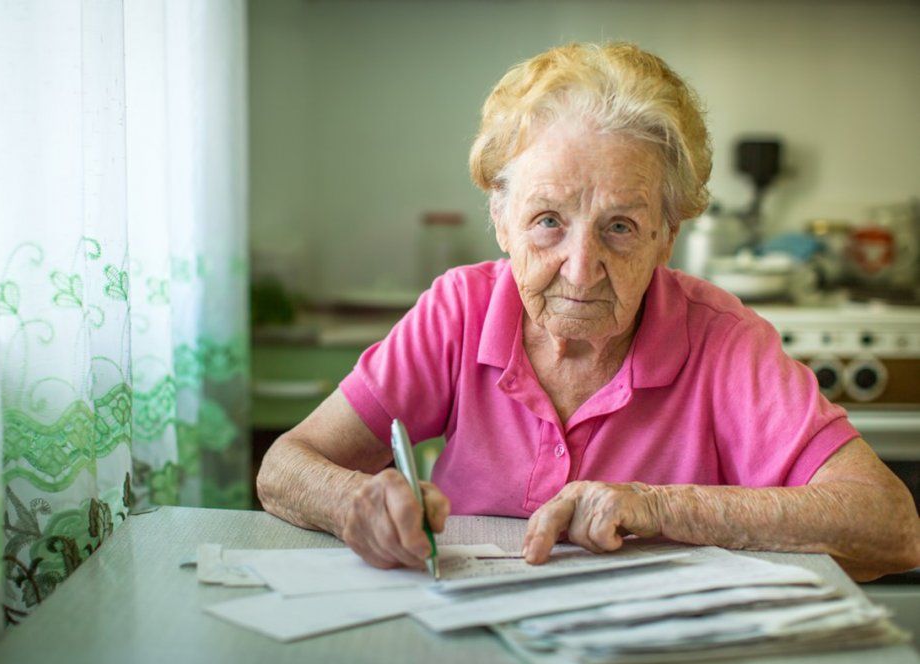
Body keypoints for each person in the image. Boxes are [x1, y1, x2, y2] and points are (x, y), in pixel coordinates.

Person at [257, 42, 919, 581]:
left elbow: (891, 525)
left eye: (620, 227)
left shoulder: (722, 340)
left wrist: (659, 507)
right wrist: (356, 501)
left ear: (667, 235)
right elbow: (286, 466)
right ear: (501, 220)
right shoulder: (461, 309)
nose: (580, 269)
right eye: (548, 220)